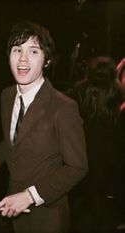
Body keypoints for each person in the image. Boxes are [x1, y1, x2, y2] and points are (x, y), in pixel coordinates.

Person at [0, 20, 88, 233]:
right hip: (11, 211)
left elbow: (77, 167)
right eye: (17, 49)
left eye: (33, 51)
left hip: (47, 219)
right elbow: (12, 142)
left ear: (46, 60)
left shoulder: (63, 107)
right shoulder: (7, 96)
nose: (22, 58)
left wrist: (30, 195)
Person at [67, 56, 125, 233]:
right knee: (103, 210)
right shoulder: (117, 95)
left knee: (81, 209)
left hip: (82, 158)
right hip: (109, 162)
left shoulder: (78, 92)